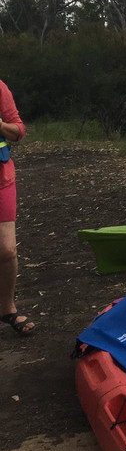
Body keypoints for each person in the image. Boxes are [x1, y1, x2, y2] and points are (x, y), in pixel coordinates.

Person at [0, 79, 31, 337]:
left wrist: (0, 125)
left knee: (7, 251)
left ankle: (7, 308)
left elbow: (19, 130)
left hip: (2, 181)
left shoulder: (0, 88)